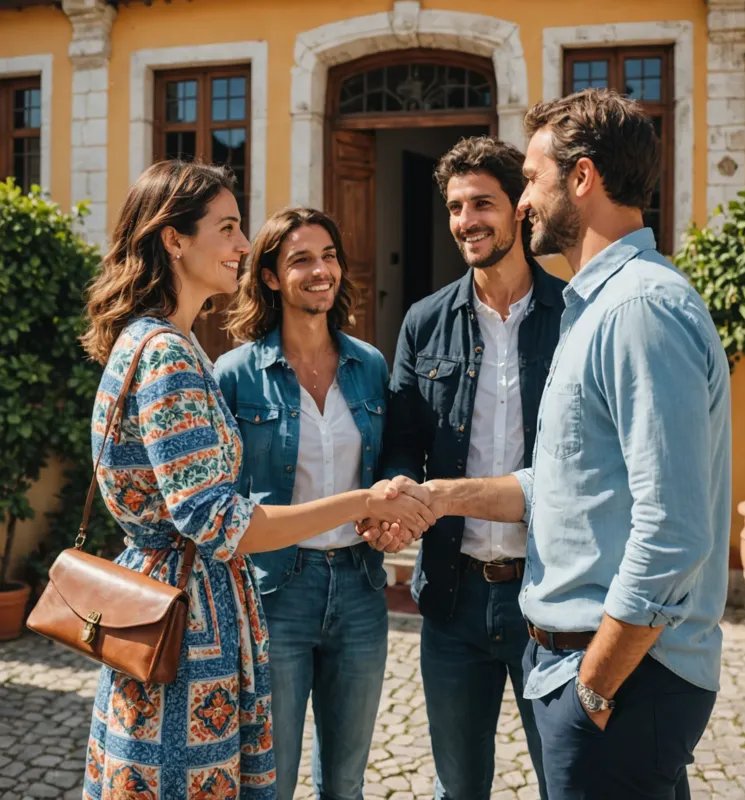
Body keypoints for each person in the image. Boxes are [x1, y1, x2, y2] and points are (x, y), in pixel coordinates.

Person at [379, 88, 732, 800]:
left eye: (532, 180)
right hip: (575, 661)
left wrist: (595, 686)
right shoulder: (596, 307)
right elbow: (563, 484)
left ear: (583, 178)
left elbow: (673, 530)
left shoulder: (637, 310)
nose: (525, 202)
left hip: (619, 678)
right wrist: (438, 497)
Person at [80, 161, 434, 800]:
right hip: (189, 619)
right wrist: (362, 500)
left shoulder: (158, 342)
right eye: (227, 228)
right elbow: (220, 522)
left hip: (192, 600)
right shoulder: (169, 354)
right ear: (174, 239)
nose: (242, 245)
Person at [363, 136, 565, 799]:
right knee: (458, 788)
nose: (465, 221)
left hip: (551, 596)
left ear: (519, 209)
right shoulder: (424, 322)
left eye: (482, 203)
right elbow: (403, 440)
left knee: (566, 782)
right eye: (454, 207)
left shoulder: (575, 316)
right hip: (453, 597)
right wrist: (398, 491)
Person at [214, 208, 393, 800]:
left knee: (346, 781)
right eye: (302, 260)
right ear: (270, 277)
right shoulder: (235, 374)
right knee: (272, 778)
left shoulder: (369, 365)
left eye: (329, 256)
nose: (321, 271)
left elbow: (389, 460)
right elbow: (220, 495)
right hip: (275, 590)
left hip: (361, 587)